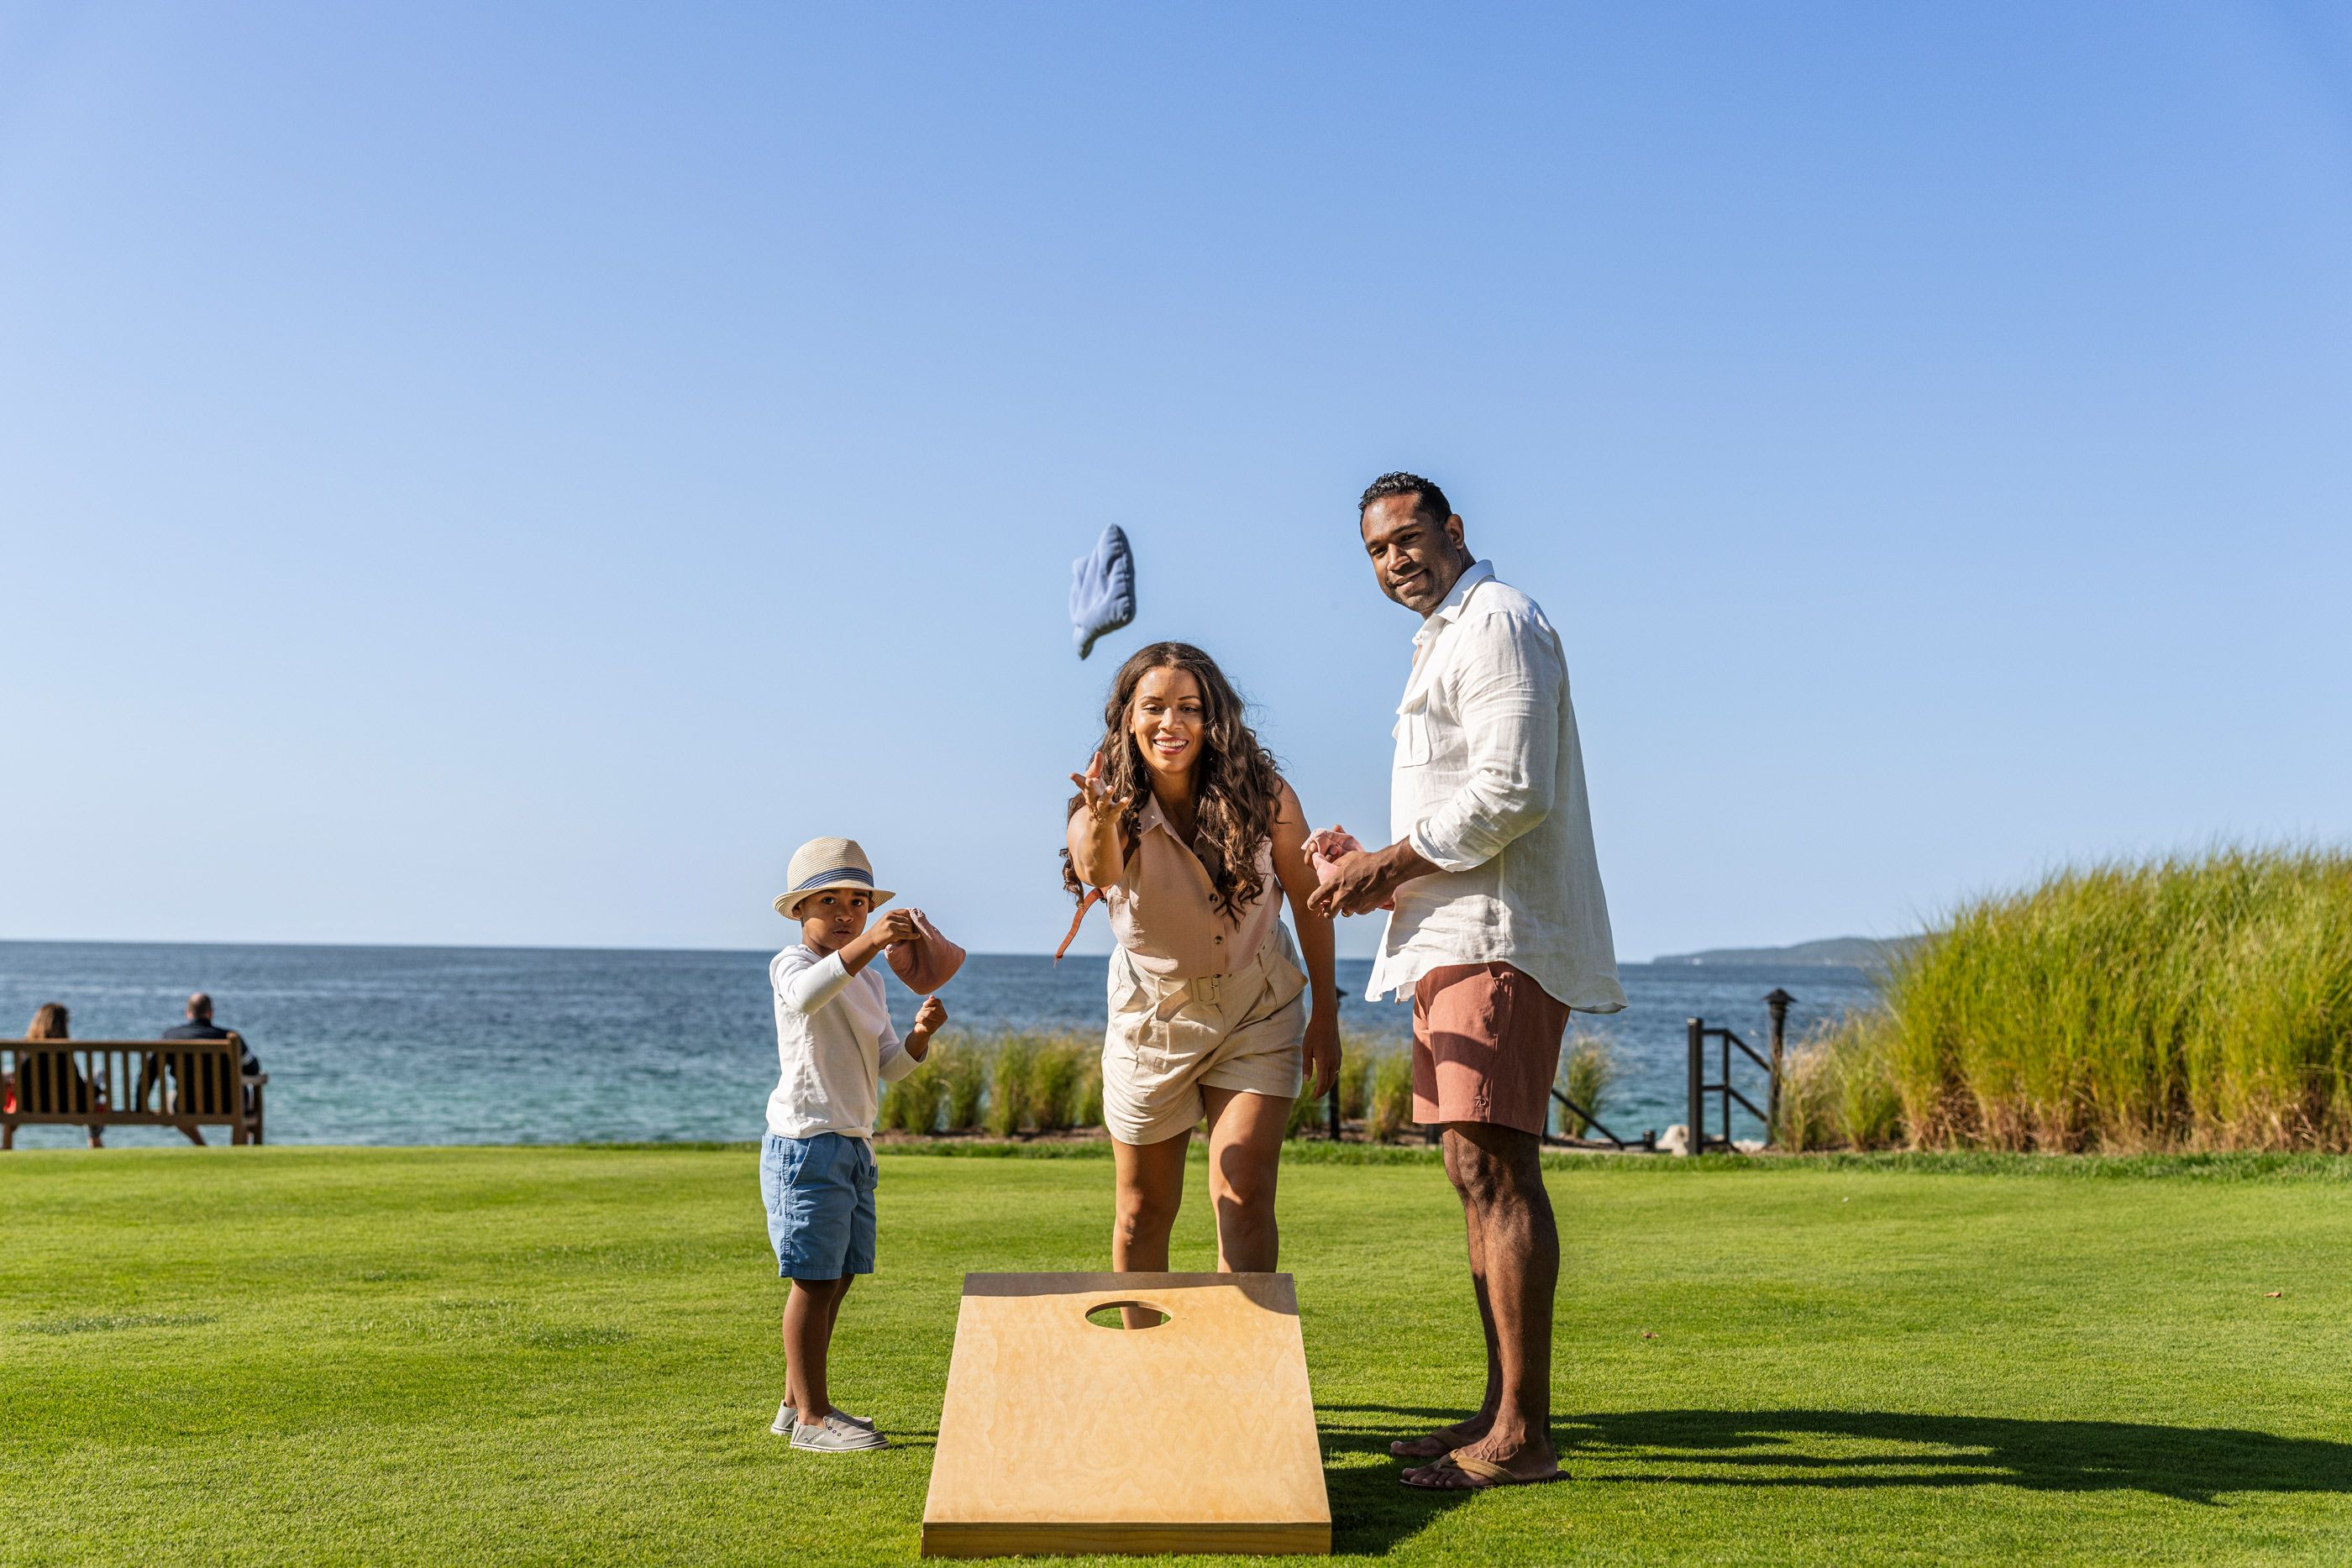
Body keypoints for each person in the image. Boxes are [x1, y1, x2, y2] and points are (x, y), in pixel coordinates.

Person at [1310, 472, 1625, 1492]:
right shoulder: (1446, 633)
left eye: (1409, 538)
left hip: (1499, 937)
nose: (1395, 559)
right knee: (1469, 1173)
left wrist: (1387, 865)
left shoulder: (1496, 619)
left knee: (1497, 1169)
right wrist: (1374, 866)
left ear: (1454, 530)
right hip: (1452, 935)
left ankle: (1524, 1435)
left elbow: (1513, 789)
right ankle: (1497, 1410)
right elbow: (1468, 795)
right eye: (1376, 550)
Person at [1062, 642, 1341, 1310]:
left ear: (1212, 717)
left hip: (1257, 1005)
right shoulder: (1105, 802)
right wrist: (1101, 817)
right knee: (1141, 1213)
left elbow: (1307, 899)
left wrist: (1327, 1014)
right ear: (1128, 718)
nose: (1171, 723)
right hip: (1152, 1019)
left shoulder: (1264, 794)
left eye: (1189, 707)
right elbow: (1097, 869)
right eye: (1153, 707)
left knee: (1242, 1193)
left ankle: (1237, 1386)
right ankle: (1145, 1377)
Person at [762, 836, 948, 1455]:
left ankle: (796, 1405)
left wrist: (919, 1037)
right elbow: (808, 995)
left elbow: (888, 1066)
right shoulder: (790, 964)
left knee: (838, 1276)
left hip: (851, 1144)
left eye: (859, 901)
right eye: (831, 899)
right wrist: (871, 943)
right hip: (805, 1143)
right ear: (799, 911)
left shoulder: (870, 983)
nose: (847, 912)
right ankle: (814, 1421)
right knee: (813, 1281)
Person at [149, 993, 265, 1146]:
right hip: (230, 1106)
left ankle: (201, 1145)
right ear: (210, 1013)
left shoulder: (169, 1036)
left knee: (171, 1097)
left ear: (188, 1013)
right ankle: (240, 1146)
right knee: (247, 1091)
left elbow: (149, 1073)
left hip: (186, 1107)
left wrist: (138, 1106)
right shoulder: (230, 1037)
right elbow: (253, 1069)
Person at [8, 1003, 105, 1149]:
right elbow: (77, 1087)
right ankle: (95, 1139)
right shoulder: (63, 1053)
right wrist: (97, 1090)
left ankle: (6, 1144)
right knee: (97, 1077)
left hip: (29, 1107)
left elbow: (22, 1084)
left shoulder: (26, 1051)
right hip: (67, 1106)